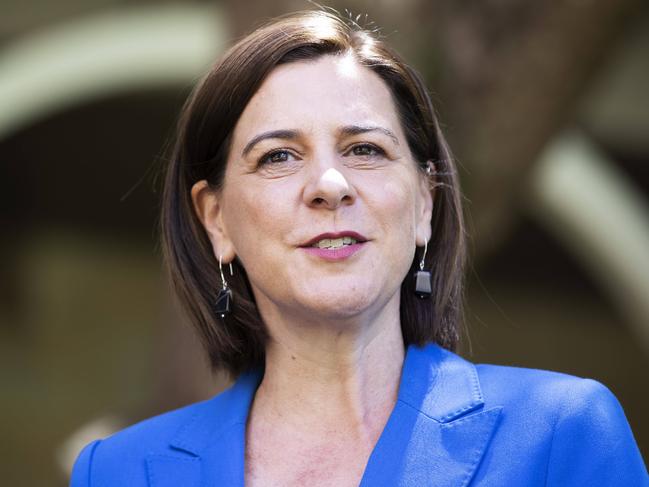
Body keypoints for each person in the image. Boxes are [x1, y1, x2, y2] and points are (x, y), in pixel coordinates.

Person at [70, 9, 648, 487]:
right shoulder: (118, 472)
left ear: (424, 204)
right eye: (278, 156)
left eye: (365, 150)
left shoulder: (561, 435)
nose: (330, 185)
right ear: (216, 220)